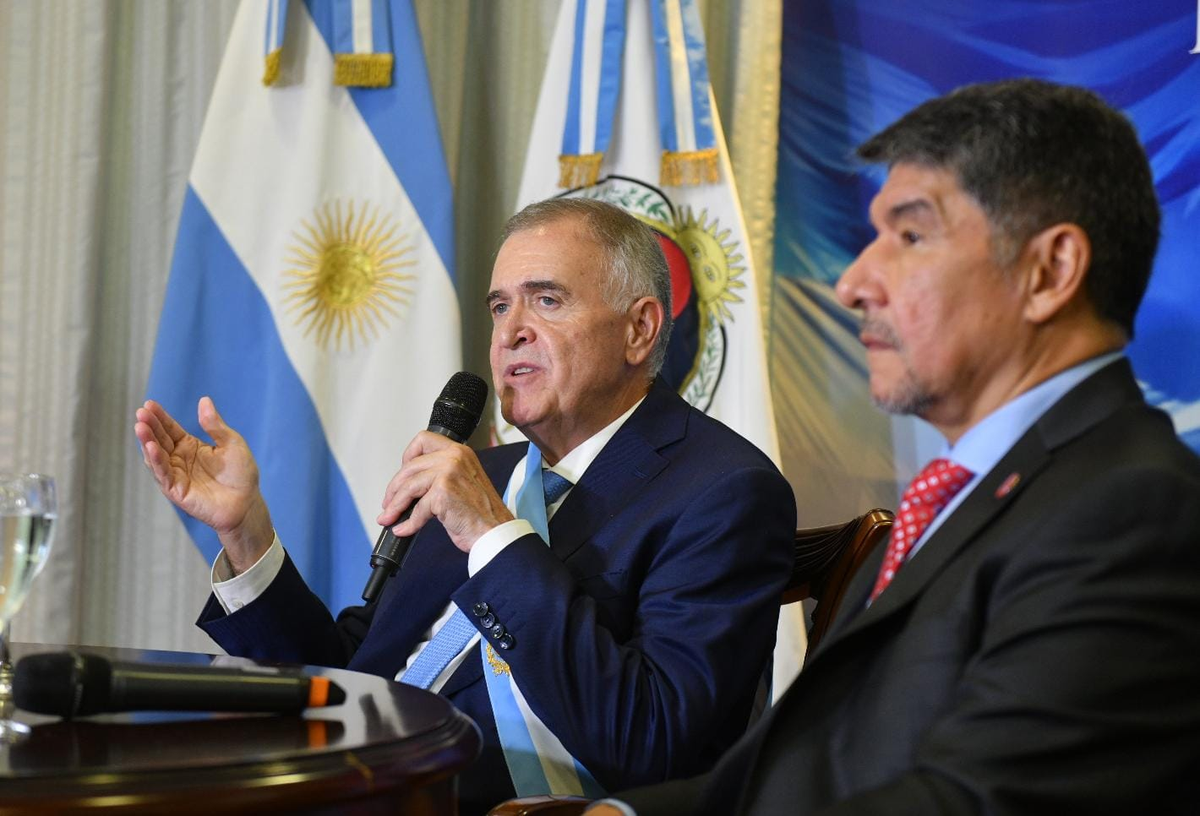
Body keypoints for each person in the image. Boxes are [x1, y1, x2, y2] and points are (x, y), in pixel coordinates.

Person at [599, 79, 1200, 815]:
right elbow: (796, 771)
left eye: (910, 236)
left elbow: (969, 803)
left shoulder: (1134, 510)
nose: (853, 284)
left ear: (1049, 272)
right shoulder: (961, 495)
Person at [135, 197, 796, 812]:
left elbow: (655, 740)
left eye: (547, 300)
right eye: (500, 307)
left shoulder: (722, 491)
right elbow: (349, 677)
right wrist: (247, 533)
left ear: (640, 329)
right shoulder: (484, 476)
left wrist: (493, 536)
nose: (510, 333)